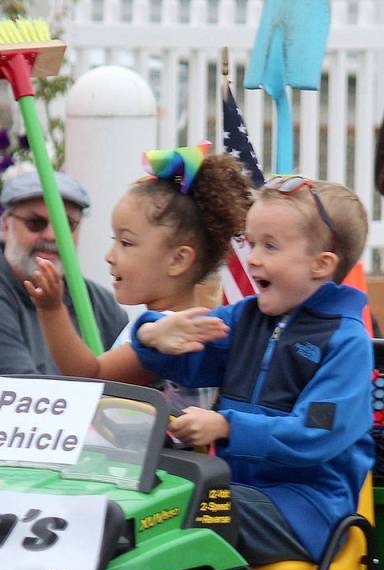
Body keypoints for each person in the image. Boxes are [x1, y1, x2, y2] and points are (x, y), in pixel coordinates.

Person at [127, 176, 374, 565]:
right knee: (136, 499)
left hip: (306, 509)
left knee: (181, 513)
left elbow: (314, 434)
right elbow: (189, 359)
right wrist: (155, 332)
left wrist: (226, 427)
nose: (252, 258)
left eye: (270, 246)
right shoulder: (246, 319)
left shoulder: (346, 343)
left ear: (321, 264)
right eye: (250, 243)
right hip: (238, 488)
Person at [27, 143, 251, 412]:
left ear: (178, 260)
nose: (110, 256)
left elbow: (89, 378)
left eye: (126, 243)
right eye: (115, 240)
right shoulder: (159, 326)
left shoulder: (172, 332)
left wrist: (51, 311)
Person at [0, 167, 128, 382]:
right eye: (35, 223)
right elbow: (28, 400)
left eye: (66, 224)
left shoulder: (101, 305)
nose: (51, 235)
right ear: (5, 225)